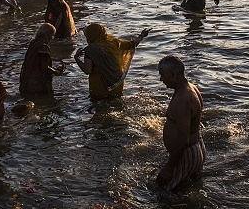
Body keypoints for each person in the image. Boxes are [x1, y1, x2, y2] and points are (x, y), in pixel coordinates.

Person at [156, 55, 205, 192]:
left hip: (186, 154)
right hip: (195, 148)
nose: (161, 79)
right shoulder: (191, 88)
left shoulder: (183, 99)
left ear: (174, 74)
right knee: (186, 191)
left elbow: (183, 139)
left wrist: (169, 167)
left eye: (163, 75)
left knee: (163, 191)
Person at [73, 23, 150, 99]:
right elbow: (133, 44)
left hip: (100, 88)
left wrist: (76, 58)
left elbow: (87, 70)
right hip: (117, 84)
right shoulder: (114, 43)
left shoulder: (90, 50)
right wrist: (141, 35)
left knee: (99, 109)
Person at [19, 23, 65, 94]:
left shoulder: (33, 43)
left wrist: (54, 68)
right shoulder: (43, 47)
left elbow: (37, 64)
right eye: (52, 36)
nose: (51, 39)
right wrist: (56, 72)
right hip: (38, 85)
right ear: (47, 35)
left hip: (27, 81)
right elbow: (44, 67)